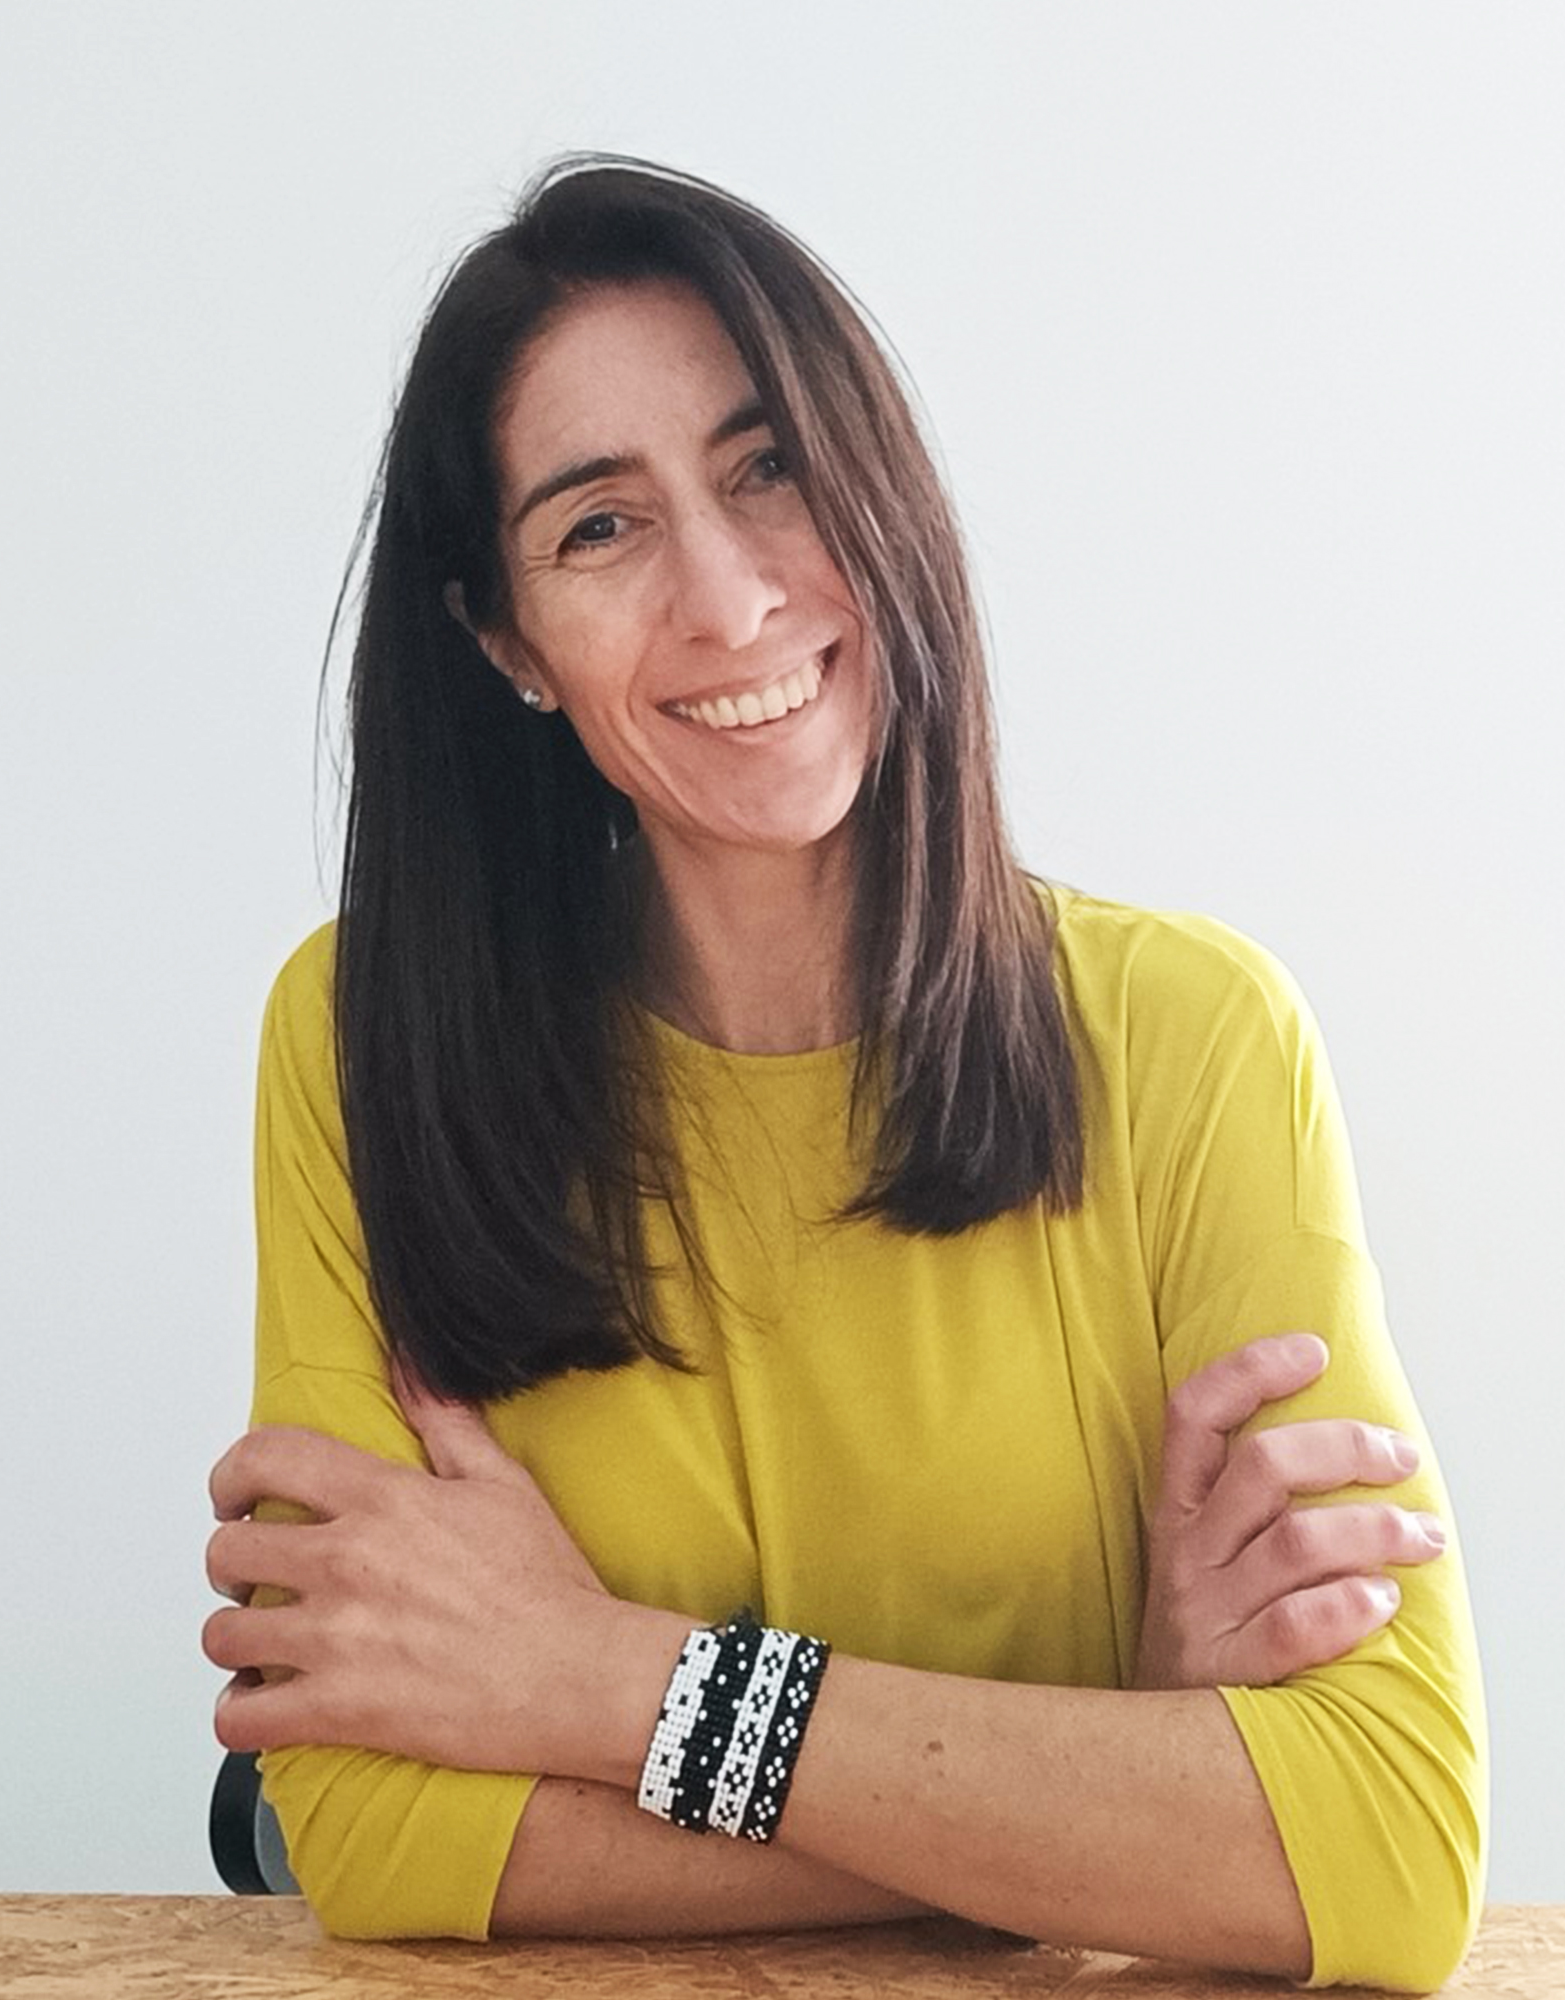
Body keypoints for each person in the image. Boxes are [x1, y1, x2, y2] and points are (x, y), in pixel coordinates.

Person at [201, 156, 1487, 1991]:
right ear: (506, 643)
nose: (728, 600)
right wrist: (1105, 1800)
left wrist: (601, 1682)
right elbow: (377, 1833)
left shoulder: (1196, 1037)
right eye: (599, 526)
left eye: (770, 469)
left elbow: (1383, 1845)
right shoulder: (363, 1036)